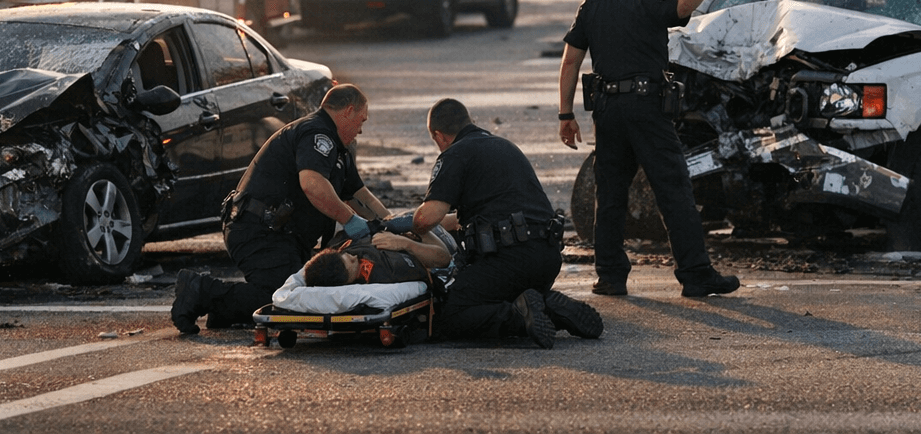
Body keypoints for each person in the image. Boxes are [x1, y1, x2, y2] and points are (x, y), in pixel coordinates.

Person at [558, 0, 740, 299]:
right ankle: (695, 274)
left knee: (609, 195)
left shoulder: (591, 6)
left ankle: (610, 277)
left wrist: (566, 114)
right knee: (673, 190)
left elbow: (570, 62)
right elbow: (683, 5)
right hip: (647, 111)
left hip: (608, 112)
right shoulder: (649, 0)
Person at [170, 82, 390, 334]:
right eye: (361, 120)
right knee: (285, 300)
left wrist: (390, 223)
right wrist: (350, 220)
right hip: (260, 231)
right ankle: (200, 290)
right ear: (348, 111)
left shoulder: (339, 151)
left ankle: (225, 309)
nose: (361, 130)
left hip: (280, 237)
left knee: (305, 295)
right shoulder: (317, 134)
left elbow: (361, 196)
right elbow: (312, 184)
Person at [394, 97, 603, 348]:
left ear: (439, 136)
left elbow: (426, 219)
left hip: (510, 261)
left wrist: (402, 228)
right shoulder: (503, 146)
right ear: (468, 121)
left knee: (451, 314)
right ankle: (541, 302)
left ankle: (525, 314)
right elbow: (463, 219)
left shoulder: (454, 154)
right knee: (498, 290)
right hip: (546, 259)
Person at [302, 228, 453, 287]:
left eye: (346, 255)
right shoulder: (388, 272)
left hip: (391, 230)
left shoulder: (340, 248)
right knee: (429, 222)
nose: (354, 256)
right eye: (350, 261)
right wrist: (407, 242)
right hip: (429, 239)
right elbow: (444, 258)